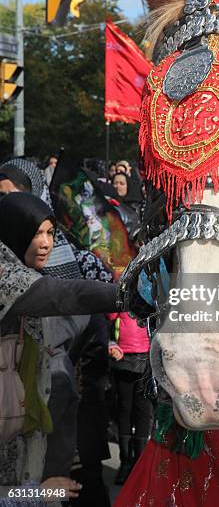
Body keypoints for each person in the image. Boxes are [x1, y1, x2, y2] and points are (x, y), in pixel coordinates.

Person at [0, 193, 119, 495]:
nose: (45, 243)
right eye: (35, 232)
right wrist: (126, 293)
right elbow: (66, 296)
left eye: (50, 233)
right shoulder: (7, 278)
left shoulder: (31, 276)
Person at [106, 312, 154, 485]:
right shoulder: (122, 292)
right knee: (126, 409)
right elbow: (108, 323)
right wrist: (111, 344)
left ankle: (137, 464)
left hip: (147, 358)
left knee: (142, 409)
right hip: (123, 358)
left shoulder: (151, 292)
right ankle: (126, 462)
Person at [111, 173, 143, 237]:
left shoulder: (137, 206)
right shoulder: (109, 203)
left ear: (128, 186)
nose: (117, 186)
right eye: (115, 183)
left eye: (121, 183)